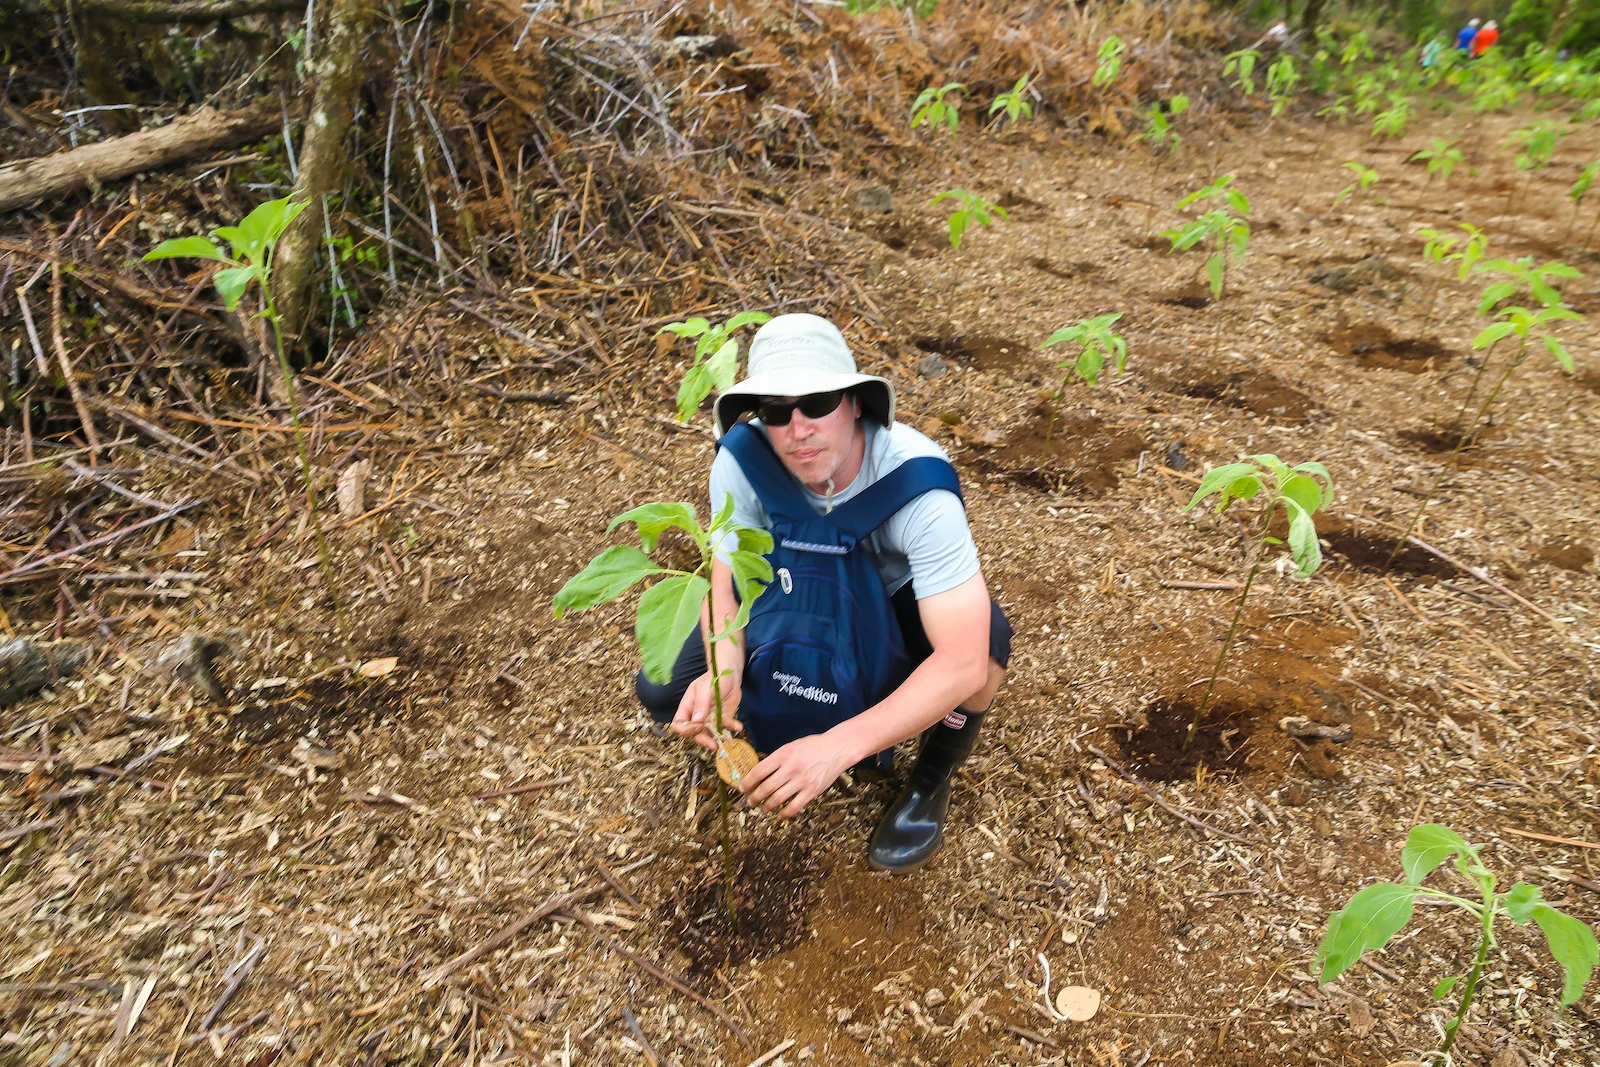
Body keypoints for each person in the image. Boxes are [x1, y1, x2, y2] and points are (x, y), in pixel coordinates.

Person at [635, 314, 1011, 873]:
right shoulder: (742, 463)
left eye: (817, 403)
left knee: (984, 650)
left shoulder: (917, 485)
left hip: (886, 601)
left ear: (856, 403)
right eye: (777, 411)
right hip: (789, 584)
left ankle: (933, 774)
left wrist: (838, 747)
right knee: (666, 687)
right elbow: (726, 584)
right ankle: (769, 707)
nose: (798, 428)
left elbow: (957, 661)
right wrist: (725, 668)